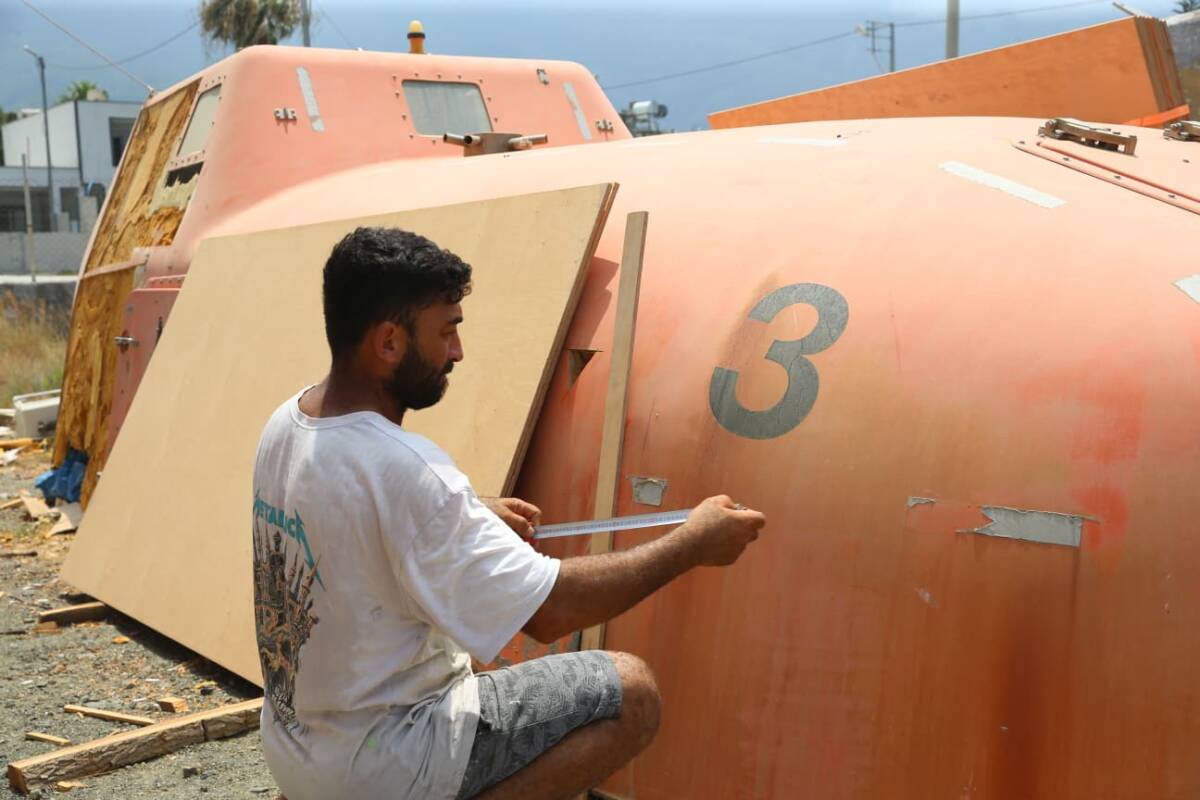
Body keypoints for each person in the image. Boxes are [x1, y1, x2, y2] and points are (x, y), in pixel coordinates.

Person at [251, 226, 766, 800]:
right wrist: (692, 543)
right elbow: (549, 612)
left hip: (301, 752)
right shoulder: (408, 475)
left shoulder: (290, 422)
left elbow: (357, 524)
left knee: (476, 661)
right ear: (389, 343)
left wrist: (467, 515)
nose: (456, 352)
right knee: (630, 691)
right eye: (446, 332)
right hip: (385, 763)